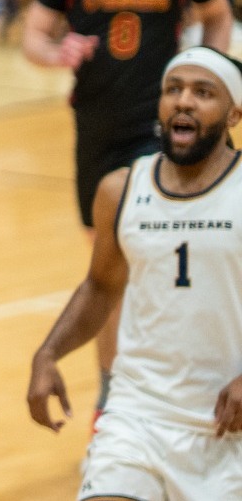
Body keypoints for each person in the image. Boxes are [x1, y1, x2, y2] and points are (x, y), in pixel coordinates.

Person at [22, 0, 232, 408]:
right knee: (108, 269)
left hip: (164, 134)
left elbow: (218, 15)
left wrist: (208, 70)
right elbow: (34, 36)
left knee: (167, 260)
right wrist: (55, 54)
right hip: (96, 129)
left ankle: (190, 379)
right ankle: (113, 396)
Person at [27, 47, 242, 498]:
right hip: (138, 413)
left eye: (203, 92)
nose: (183, 101)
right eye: (173, 89)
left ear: (234, 113)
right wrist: (47, 354)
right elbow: (101, 287)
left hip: (229, 422)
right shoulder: (121, 189)